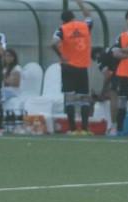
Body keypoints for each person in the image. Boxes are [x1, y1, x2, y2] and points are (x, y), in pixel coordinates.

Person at [52, 0, 94, 134]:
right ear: (74, 17)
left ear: (63, 21)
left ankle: (72, 129)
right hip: (82, 67)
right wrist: (80, 3)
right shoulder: (84, 26)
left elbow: (53, 43)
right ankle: (85, 128)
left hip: (68, 67)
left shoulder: (62, 29)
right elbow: (89, 16)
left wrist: (61, 55)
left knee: (69, 98)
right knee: (83, 98)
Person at [93, 45, 120, 134]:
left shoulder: (100, 58)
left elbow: (108, 75)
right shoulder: (110, 49)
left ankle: (113, 127)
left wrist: (103, 92)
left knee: (114, 96)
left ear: (96, 55)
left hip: (119, 73)